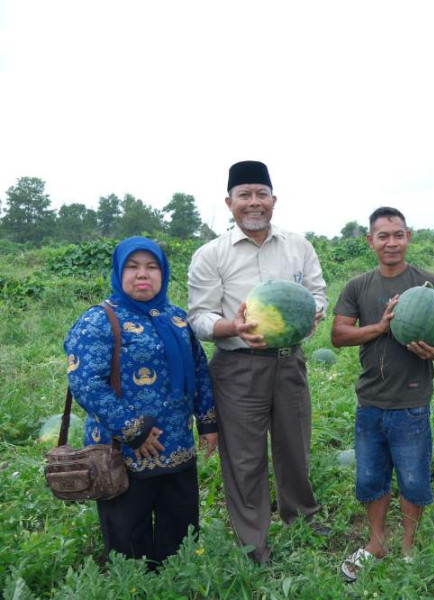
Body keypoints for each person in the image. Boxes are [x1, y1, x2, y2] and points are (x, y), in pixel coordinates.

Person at [187, 160, 328, 563]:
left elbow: (318, 294)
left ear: (273, 200)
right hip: (237, 367)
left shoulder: (299, 247)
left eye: (261, 194)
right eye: (244, 195)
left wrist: (311, 313)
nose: (254, 203)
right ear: (229, 202)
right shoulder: (211, 255)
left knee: (294, 447)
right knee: (245, 458)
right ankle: (254, 543)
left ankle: (302, 517)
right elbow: (198, 316)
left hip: (288, 362)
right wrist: (231, 327)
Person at [64, 237, 218, 567]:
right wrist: (134, 431)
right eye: (132, 267)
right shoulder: (98, 321)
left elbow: (199, 370)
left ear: (163, 273)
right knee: (127, 536)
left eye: (151, 267)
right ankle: (135, 585)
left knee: (179, 531)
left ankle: (174, 582)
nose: (142, 274)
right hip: (123, 452)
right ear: (119, 273)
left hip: (177, 446)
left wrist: (207, 423)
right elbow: (85, 383)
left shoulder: (176, 319)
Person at [331, 207, 434, 580]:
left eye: (398, 234)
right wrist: (381, 327)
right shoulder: (358, 287)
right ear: (370, 241)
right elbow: (338, 335)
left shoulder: (429, 283)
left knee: (413, 479)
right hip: (370, 401)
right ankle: (376, 543)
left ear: (408, 236)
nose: (391, 242)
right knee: (369, 479)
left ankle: (409, 545)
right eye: (383, 236)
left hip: (412, 402)